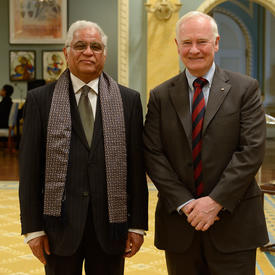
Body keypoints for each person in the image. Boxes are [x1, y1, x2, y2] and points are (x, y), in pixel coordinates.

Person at [143, 11, 268, 275]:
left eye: (202, 41)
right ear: (177, 46)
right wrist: (186, 203)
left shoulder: (245, 89)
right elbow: (153, 154)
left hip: (235, 225)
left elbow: (251, 151)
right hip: (180, 225)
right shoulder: (161, 96)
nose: (194, 50)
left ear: (217, 43)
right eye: (186, 42)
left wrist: (215, 202)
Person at [19, 20, 148, 275]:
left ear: (104, 54)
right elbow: (29, 170)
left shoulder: (128, 100)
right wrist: (33, 229)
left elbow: (136, 166)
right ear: (66, 52)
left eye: (96, 46)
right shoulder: (40, 101)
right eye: (80, 46)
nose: (88, 52)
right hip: (58, 227)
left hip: (112, 225)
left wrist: (136, 225)